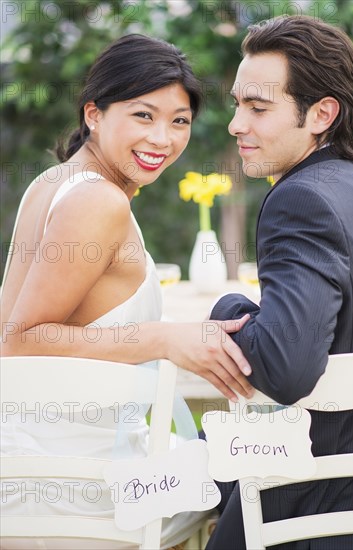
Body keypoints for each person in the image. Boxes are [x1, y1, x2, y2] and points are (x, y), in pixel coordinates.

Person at [0, 33, 254, 549]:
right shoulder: (99, 201)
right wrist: (163, 338)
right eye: (143, 115)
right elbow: (18, 341)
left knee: (221, 458)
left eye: (178, 121)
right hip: (72, 486)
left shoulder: (54, 181)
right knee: (249, 475)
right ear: (94, 114)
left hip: (36, 463)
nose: (163, 138)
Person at [206, 15, 353, 550]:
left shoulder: (300, 200)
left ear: (321, 113)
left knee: (173, 465)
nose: (236, 124)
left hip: (312, 509)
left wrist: (225, 306)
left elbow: (287, 369)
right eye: (237, 104)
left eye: (258, 107)